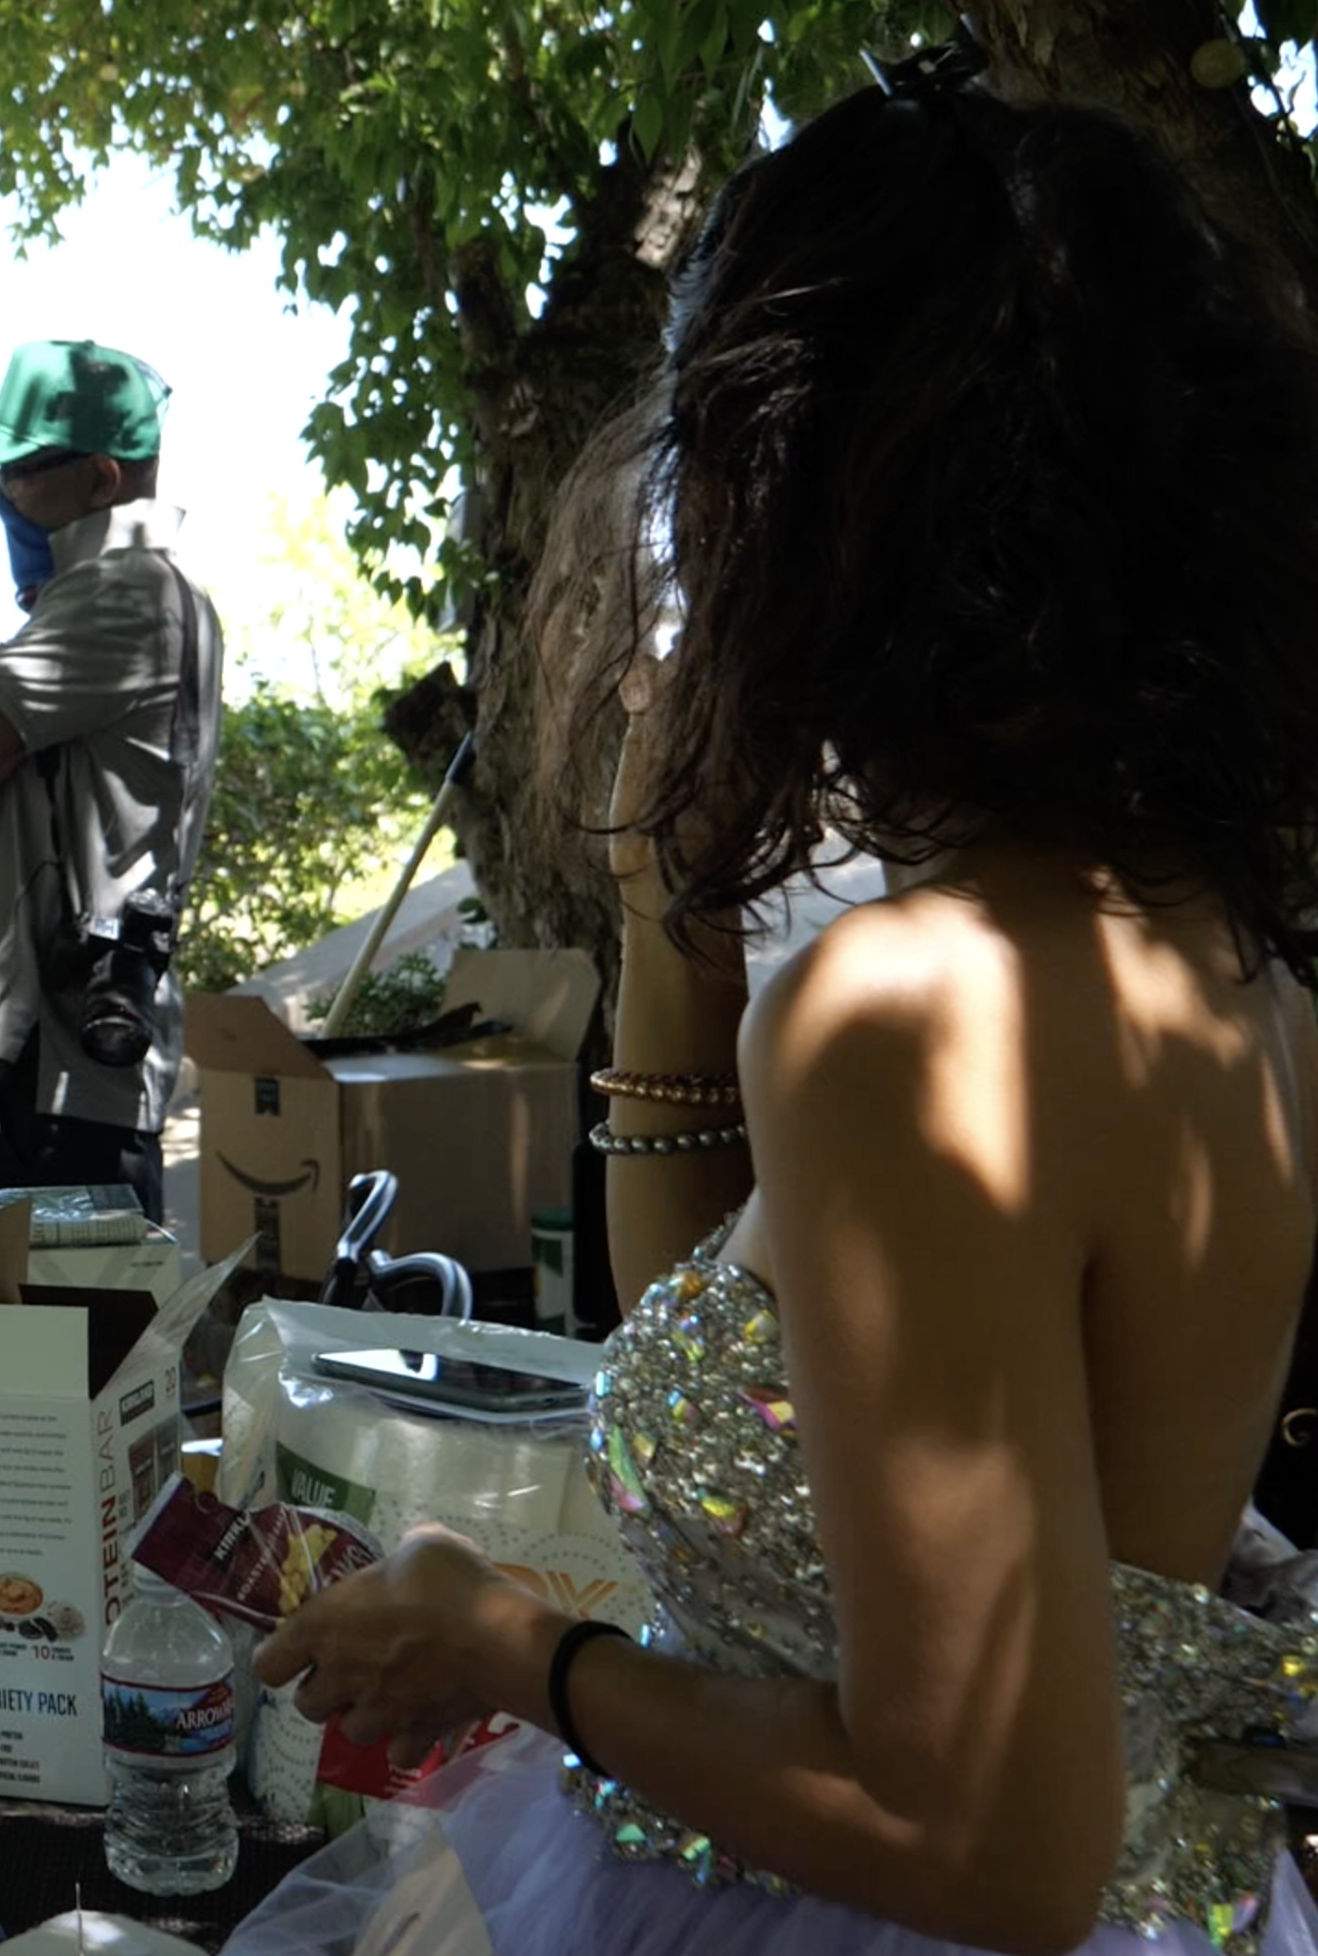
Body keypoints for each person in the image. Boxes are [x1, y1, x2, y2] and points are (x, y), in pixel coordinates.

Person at [244, 45, 1318, 1956]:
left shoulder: (920, 1016)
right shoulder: (1208, 959)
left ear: (786, 496)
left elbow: (995, 1842)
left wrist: (508, 1646)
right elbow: (738, 1362)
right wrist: (675, 925)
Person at [0, 339, 223, 1224]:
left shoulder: (119, 590)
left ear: (102, 480)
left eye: (22, 471)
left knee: (57, 1351)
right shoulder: (112, 592)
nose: (1, 496)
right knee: (43, 1349)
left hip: (60, 1071)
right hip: (48, 1064)